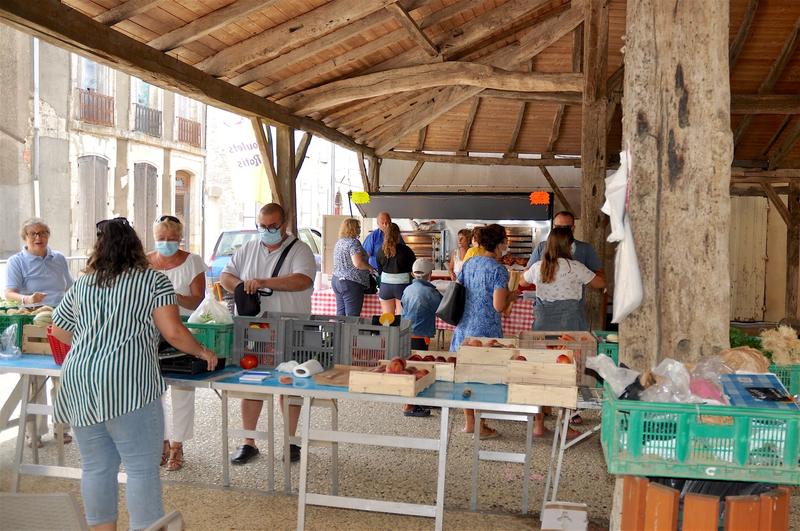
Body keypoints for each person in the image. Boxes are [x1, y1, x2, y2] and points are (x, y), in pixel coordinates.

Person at [50, 217, 217, 531]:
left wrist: (94, 346)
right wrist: (202, 351)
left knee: (96, 467)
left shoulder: (84, 281)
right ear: (137, 245)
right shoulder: (153, 281)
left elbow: (59, 329)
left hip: (81, 382)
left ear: (99, 248)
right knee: (141, 469)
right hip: (129, 385)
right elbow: (173, 332)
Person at [220, 203, 316, 465]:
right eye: (262, 226)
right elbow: (226, 275)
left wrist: (263, 282)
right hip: (257, 328)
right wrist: (241, 286)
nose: (267, 230)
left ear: (284, 224)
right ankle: (248, 441)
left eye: (273, 226)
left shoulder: (300, 250)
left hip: (292, 325)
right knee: (252, 382)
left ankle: (291, 440)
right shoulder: (249, 248)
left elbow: (302, 280)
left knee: (290, 384)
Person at [521, 227, 605, 438]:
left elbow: (522, 281)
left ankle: (539, 425)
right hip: (569, 327)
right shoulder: (575, 267)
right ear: (569, 246)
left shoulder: (539, 267)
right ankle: (564, 426)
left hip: (543, 326)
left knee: (540, 374)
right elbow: (600, 283)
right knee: (567, 375)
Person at [5, 217, 74, 447]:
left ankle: (62, 427)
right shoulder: (17, 261)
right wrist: (28, 298)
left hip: (60, 319)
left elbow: (69, 287)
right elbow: (9, 293)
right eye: (33, 234)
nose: (38, 237)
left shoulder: (59, 258)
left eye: (43, 233)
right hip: (32, 320)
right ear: (25, 237)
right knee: (34, 380)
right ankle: (33, 434)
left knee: (64, 375)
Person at [146, 215, 207, 472]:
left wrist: (174, 297)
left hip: (183, 329)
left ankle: (177, 445)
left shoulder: (192, 262)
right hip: (149, 332)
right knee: (152, 390)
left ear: (180, 238)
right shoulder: (145, 262)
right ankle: (159, 441)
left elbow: (198, 301)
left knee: (182, 390)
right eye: (162, 239)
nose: (167, 243)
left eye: (172, 239)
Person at [450, 224, 517, 439]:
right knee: (483, 378)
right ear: (499, 244)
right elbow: (498, 306)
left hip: (465, 326)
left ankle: (469, 422)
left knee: (466, 376)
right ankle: (480, 425)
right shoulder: (498, 270)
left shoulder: (469, 263)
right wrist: (511, 295)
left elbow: (459, 287)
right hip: (485, 330)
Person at [526, 211, 604, 323]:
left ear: (573, 228)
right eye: (558, 227)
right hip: (553, 312)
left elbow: (523, 280)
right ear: (553, 227)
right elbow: (527, 274)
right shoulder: (541, 248)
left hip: (567, 312)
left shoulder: (585, 249)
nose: (561, 231)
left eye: (566, 228)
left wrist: (586, 275)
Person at [401, 259, 443, 418]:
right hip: (421, 334)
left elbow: (404, 306)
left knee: (411, 367)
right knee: (417, 370)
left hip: (407, 332)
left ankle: (418, 400)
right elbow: (441, 307)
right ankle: (409, 406)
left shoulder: (408, 289)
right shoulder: (430, 292)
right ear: (429, 275)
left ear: (413, 273)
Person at [331, 218, 375, 316]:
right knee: (352, 318)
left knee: (340, 315)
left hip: (336, 280)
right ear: (353, 229)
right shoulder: (353, 243)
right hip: (351, 282)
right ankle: (349, 332)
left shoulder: (339, 242)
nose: (359, 229)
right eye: (358, 227)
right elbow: (358, 263)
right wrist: (370, 268)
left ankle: (339, 331)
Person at [376, 223, 416, 315]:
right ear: (398, 234)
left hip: (385, 287)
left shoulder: (380, 251)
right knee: (400, 319)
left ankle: (386, 330)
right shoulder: (406, 250)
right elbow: (414, 269)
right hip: (402, 286)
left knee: (387, 317)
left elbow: (380, 271)